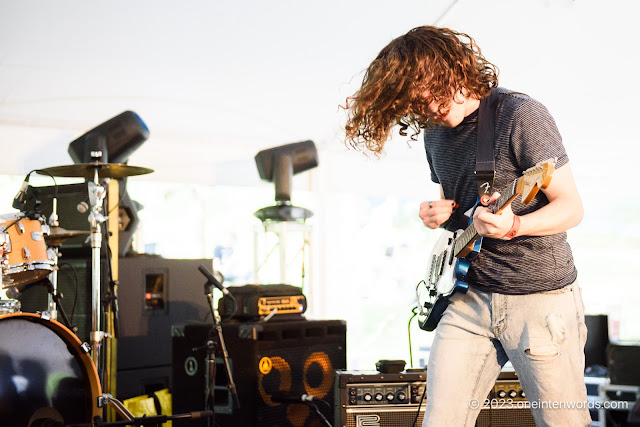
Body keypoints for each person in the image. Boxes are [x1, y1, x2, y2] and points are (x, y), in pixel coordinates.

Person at [344, 26, 590, 426]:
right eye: (417, 105)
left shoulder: (521, 114)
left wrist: (515, 225)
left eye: (433, 97)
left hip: (539, 301)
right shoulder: (433, 133)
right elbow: (460, 212)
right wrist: (439, 215)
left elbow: (572, 208)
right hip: (467, 298)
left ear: (453, 72)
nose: (431, 111)